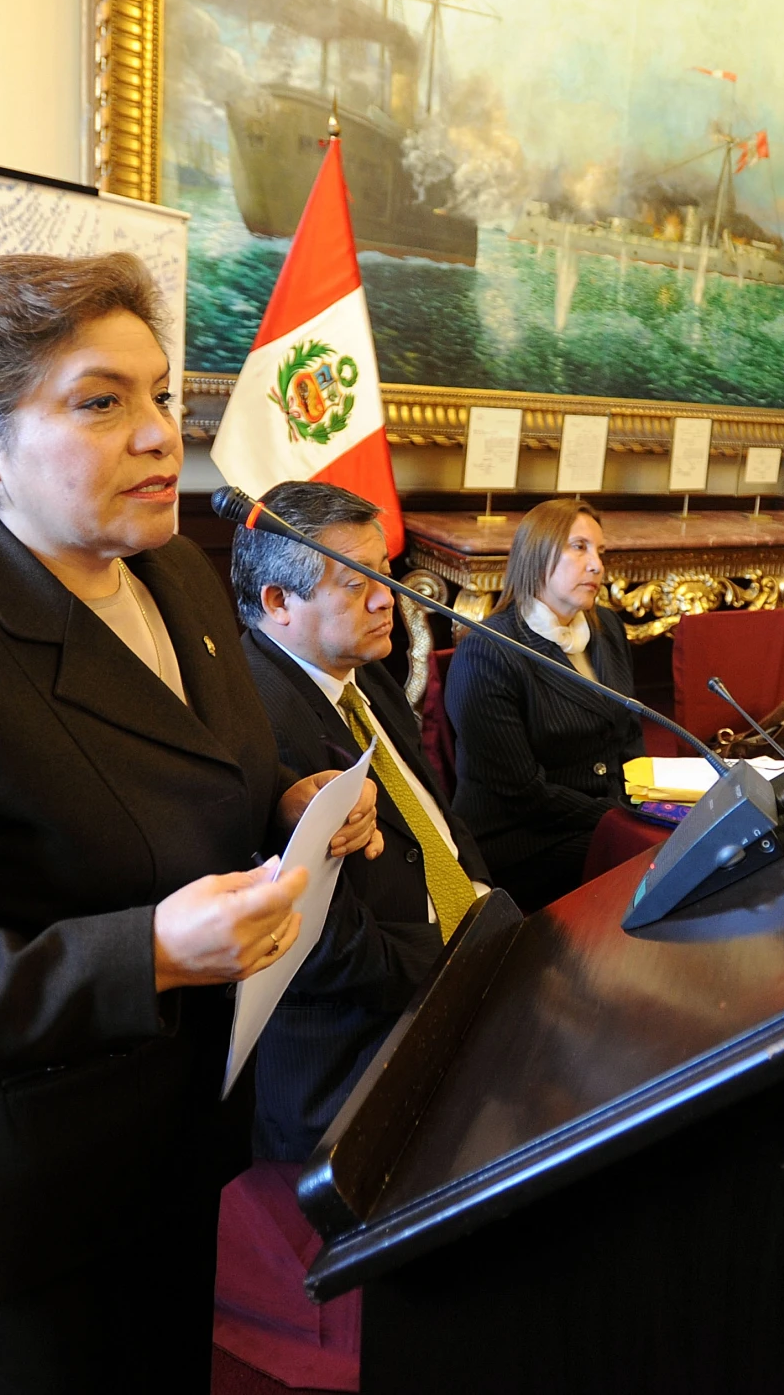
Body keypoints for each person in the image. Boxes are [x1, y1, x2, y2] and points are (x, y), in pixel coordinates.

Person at [0, 253, 382, 1395]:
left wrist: (292, 805)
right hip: (21, 1199)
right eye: (100, 402)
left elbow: (205, 785)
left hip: (174, 1134)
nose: (158, 435)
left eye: (158, 397)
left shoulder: (178, 579)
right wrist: (141, 953)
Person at [232, 479, 492, 1161]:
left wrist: (490, 914)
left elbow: (437, 820)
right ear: (277, 602)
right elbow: (316, 944)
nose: (388, 599)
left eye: (385, 573)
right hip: (357, 1049)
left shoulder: (362, 669)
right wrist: (464, 966)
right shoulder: (248, 723)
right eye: (357, 584)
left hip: (448, 964)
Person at [444, 498, 642, 911]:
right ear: (536, 555)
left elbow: (629, 733)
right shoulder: (488, 651)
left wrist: (646, 802)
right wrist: (619, 819)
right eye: (579, 547)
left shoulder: (607, 628)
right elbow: (522, 792)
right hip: (522, 840)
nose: (596, 566)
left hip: (603, 818)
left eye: (600, 552)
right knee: (651, 864)